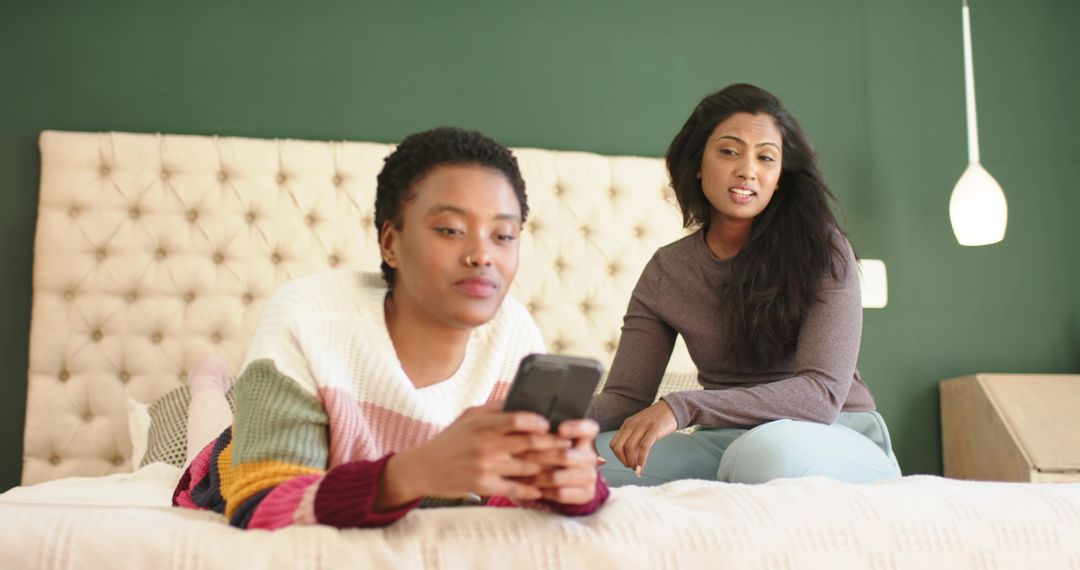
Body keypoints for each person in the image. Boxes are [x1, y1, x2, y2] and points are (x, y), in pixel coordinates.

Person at [174, 127, 608, 529]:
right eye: (450, 229)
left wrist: (570, 488)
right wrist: (414, 471)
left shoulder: (514, 332)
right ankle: (207, 384)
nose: (482, 255)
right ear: (389, 242)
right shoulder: (310, 319)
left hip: (371, 489)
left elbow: (508, 494)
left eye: (504, 235)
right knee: (207, 439)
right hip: (245, 466)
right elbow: (263, 504)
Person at [588, 84, 902, 487]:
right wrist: (544, 420)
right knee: (582, 462)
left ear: (779, 178)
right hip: (723, 442)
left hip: (836, 434)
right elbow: (626, 398)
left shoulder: (824, 251)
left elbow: (819, 395)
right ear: (698, 163)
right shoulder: (668, 269)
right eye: (729, 151)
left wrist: (682, 407)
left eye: (766, 158)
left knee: (760, 455)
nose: (747, 169)